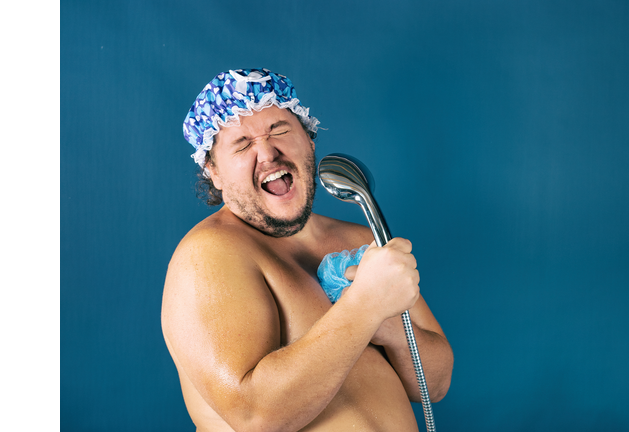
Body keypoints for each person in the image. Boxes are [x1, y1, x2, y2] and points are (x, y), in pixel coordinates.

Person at [161, 68, 454, 432]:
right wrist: (364, 306)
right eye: (242, 143)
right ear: (214, 173)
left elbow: (436, 384)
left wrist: (388, 324)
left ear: (310, 140)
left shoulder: (358, 238)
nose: (267, 152)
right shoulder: (208, 256)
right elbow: (255, 415)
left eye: (279, 130)